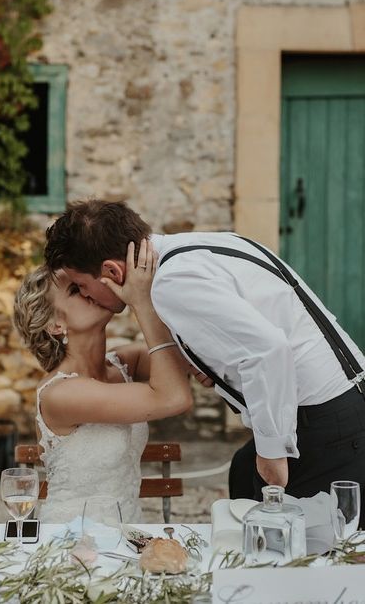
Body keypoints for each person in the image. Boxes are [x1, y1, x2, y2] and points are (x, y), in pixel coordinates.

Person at [45, 199, 365, 526]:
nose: (87, 295)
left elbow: (268, 350)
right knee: (243, 476)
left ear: (112, 272)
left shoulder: (173, 282)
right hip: (339, 406)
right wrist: (205, 359)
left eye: (83, 285)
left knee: (305, 557)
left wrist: (272, 451)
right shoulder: (196, 247)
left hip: (324, 425)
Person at [13, 239, 192, 522]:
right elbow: (173, 397)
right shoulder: (61, 394)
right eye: (75, 289)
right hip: (72, 541)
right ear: (56, 325)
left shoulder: (123, 366)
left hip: (129, 535)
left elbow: (190, 357)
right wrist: (141, 302)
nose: (90, 289)